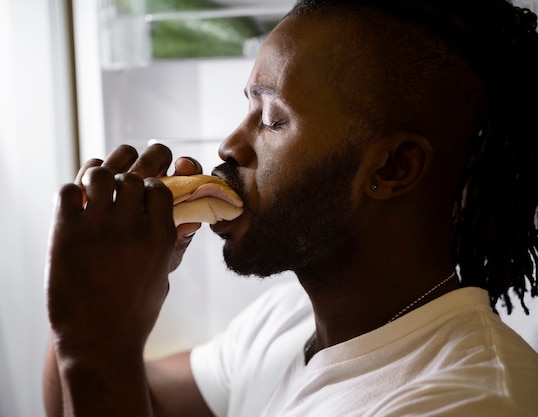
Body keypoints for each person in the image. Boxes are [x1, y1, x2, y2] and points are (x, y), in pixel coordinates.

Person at [43, 0, 538, 415]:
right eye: (249, 108)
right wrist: (88, 290)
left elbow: (96, 370)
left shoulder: (469, 398)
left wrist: (93, 338)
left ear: (391, 168)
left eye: (274, 119)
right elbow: (100, 391)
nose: (230, 145)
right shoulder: (287, 322)